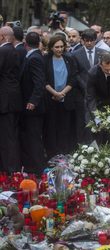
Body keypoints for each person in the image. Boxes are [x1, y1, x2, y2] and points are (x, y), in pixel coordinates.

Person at [43, 35, 76, 159]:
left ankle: (63, 155)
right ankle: (51, 155)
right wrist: (55, 93)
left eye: (62, 46)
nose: (59, 49)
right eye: (56, 47)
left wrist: (62, 93)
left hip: (65, 99)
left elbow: (73, 79)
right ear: (51, 47)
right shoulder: (45, 60)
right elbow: (43, 80)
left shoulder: (69, 59)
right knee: (51, 128)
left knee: (64, 128)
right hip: (50, 99)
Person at [72, 28, 105, 144]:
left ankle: (99, 147)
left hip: (99, 94)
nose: (89, 43)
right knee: (83, 122)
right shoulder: (75, 54)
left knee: (99, 121)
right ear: (82, 41)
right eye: (86, 41)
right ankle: (84, 147)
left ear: (95, 40)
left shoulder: (103, 53)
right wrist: (85, 86)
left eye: (91, 40)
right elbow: (75, 74)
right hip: (82, 94)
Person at [19, 32, 46, 174]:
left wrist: (33, 101)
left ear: (25, 43)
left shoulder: (34, 58)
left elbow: (39, 82)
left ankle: (38, 168)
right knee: (30, 137)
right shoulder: (34, 56)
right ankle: (32, 166)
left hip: (33, 107)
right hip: (30, 106)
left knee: (34, 137)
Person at [0, 26, 22, 173]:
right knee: (11, 135)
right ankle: (10, 167)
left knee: (6, 137)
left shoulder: (3, 50)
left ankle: (9, 169)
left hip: (5, 100)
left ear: (2, 36)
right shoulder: (14, 50)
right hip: (13, 98)